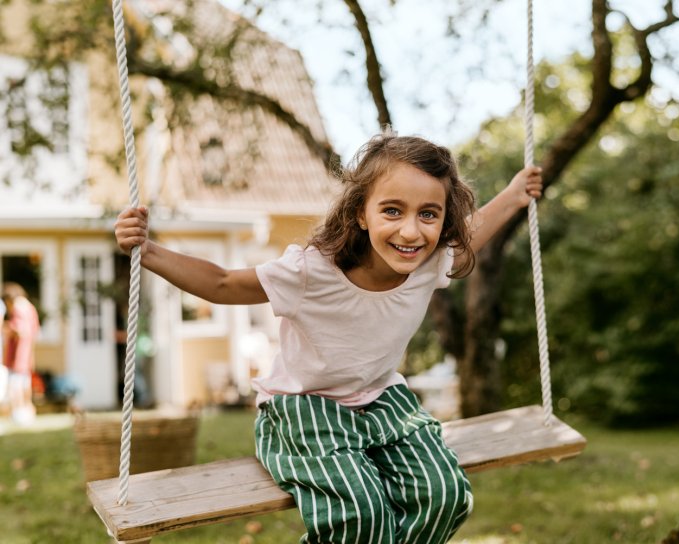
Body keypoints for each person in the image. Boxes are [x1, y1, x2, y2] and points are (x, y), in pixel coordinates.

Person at [114, 132, 543, 543]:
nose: (411, 232)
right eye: (392, 211)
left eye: (428, 214)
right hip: (304, 407)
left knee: (446, 496)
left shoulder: (430, 264)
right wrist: (147, 250)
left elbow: (474, 233)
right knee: (361, 514)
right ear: (361, 213)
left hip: (381, 400)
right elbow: (223, 283)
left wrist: (514, 194)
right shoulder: (310, 272)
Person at [2, 282, 41, 425]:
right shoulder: (30, 307)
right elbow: (35, 329)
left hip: (18, 353)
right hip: (27, 352)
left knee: (15, 383)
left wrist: (5, 328)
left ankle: (19, 413)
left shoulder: (18, 307)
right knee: (25, 382)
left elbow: (19, 329)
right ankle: (28, 412)